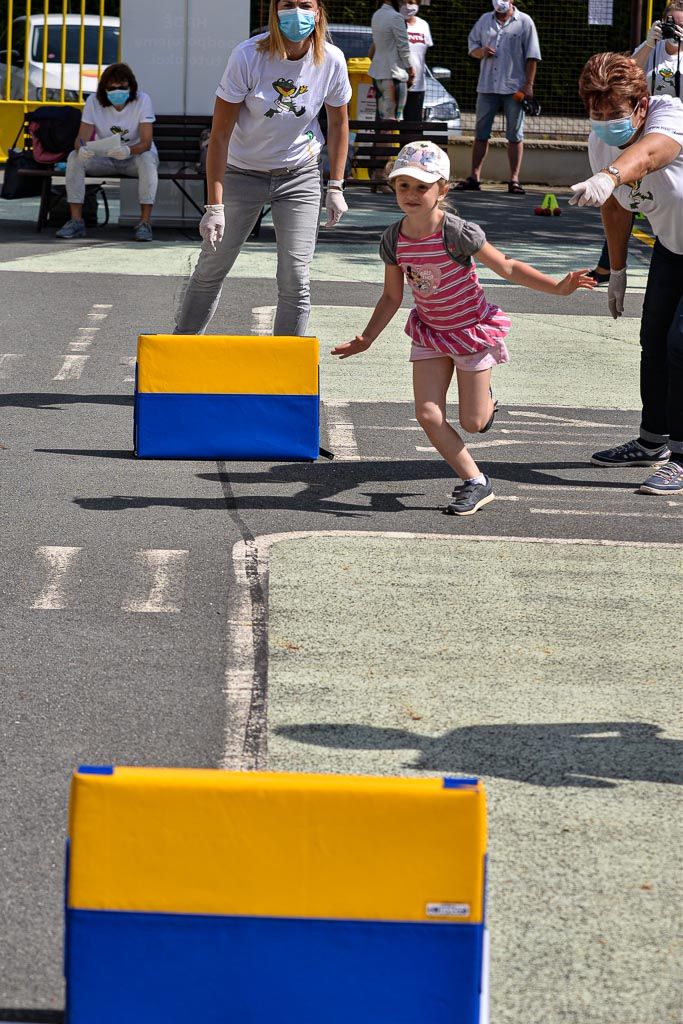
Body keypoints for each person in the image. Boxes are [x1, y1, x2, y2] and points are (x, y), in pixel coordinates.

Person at [332, 140, 595, 516]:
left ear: (442, 190)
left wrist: (557, 287)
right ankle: (475, 481)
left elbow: (506, 266)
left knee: (473, 422)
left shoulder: (457, 233)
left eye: (422, 186)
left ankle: (487, 401)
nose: (411, 194)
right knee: (427, 414)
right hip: (431, 332)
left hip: (471, 331)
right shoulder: (393, 239)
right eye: (403, 185)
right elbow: (391, 296)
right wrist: (367, 338)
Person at [175, 0, 351, 337]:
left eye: (305, 5)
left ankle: (287, 364)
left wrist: (336, 186)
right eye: (288, 4)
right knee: (212, 265)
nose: (297, 12)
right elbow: (220, 134)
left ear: (317, 12)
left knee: (296, 276)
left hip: (299, 173)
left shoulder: (331, 60)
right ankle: (181, 348)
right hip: (241, 171)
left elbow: (338, 123)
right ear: (275, 11)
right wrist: (214, 206)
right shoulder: (248, 55)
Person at [570, 52, 683, 496]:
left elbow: (651, 155)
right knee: (653, 338)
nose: (604, 123)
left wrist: (611, 174)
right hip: (674, 247)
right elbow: (617, 207)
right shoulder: (599, 142)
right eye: (596, 114)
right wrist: (616, 270)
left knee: (681, 344)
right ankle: (653, 440)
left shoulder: (669, 115)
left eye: (614, 114)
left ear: (641, 105)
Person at [589, 1, 683, 284]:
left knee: (668, 200)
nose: (675, 29)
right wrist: (650, 43)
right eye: (671, 22)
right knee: (625, 194)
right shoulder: (651, 50)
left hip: (673, 135)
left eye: (681, 24)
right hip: (641, 128)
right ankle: (609, 265)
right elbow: (622, 80)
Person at [56, 63, 157, 242]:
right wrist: (82, 149)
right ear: (104, 89)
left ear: (131, 87)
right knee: (74, 157)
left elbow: (146, 143)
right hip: (105, 158)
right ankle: (76, 221)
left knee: (148, 159)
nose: (117, 92)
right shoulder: (93, 101)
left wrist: (128, 150)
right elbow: (81, 138)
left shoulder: (143, 100)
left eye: (122, 87)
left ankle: (145, 222)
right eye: (112, 88)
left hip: (133, 157)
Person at [456, 1, 541, 195]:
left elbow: (532, 56)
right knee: (481, 133)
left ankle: (514, 180)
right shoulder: (485, 19)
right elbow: (472, 46)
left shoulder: (525, 21)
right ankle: (474, 177)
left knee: (515, 135)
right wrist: (481, 52)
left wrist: (529, 85)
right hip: (487, 87)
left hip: (514, 88)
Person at [368, 0, 415, 122]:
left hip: (378, 76)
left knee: (381, 119)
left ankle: (380, 134)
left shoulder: (377, 14)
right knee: (393, 120)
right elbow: (403, 48)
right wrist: (411, 70)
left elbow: (374, 47)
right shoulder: (396, 17)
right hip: (394, 76)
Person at [400, 3, 433, 123]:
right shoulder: (394, 22)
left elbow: (422, 54)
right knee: (392, 124)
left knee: (413, 126)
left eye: (412, 2)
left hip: (417, 84)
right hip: (397, 82)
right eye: (404, 2)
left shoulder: (423, 24)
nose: (408, 6)